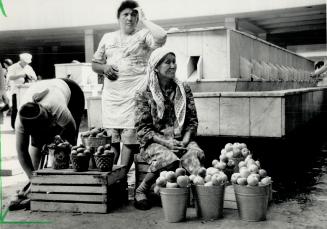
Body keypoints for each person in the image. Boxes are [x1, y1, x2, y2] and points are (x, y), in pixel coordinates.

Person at [92, 0, 167, 174]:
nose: (130, 17)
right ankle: (110, 175)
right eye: (125, 14)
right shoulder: (108, 37)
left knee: (130, 138)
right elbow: (95, 64)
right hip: (111, 98)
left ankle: (122, 177)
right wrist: (104, 68)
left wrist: (145, 19)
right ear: (118, 17)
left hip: (135, 96)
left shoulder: (144, 35)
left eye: (134, 14)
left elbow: (162, 36)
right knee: (112, 139)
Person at [134, 48, 205, 210]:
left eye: (174, 62)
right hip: (155, 142)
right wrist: (168, 143)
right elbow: (143, 129)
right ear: (156, 68)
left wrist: (185, 141)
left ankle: (194, 197)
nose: (173, 66)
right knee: (169, 158)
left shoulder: (183, 89)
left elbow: (192, 122)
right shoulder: (144, 93)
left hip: (182, 139)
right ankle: (142, 189)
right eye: (168, 62)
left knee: (194, 157)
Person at [9, 78, 85, 210]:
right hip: (47, 91)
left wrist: (58, 142)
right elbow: (22, 152)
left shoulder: (57, 108)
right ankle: (33, 185)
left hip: (72, 92)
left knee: (65, 147)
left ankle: (67, 182)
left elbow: (70, 134)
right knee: (37, 144)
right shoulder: (20, 123)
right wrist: (34, 179)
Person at [7, 53, 37, 129]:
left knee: (27, 108)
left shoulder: (29, 68)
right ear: (21, 60)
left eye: (27, 62)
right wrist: (20, 75)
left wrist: (30, 77)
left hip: (26, 90)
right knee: (16, 108)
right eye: (25, 62)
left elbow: (35, 77)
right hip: (16, 91)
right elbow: (10, 77)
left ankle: (25, 125)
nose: (26, 64)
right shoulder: (13, 67)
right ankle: (14, 126)